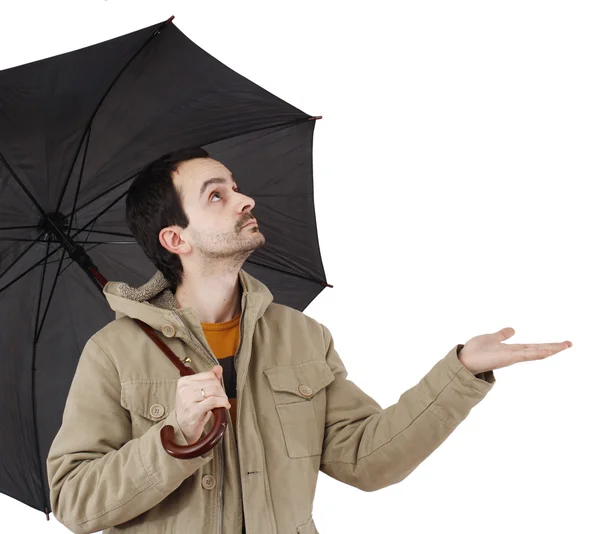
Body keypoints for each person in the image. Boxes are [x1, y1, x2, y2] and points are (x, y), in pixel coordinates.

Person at [46, 146, 572, 534]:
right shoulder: (113, 352)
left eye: (235, 186)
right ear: (175, 238)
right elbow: (74, 500)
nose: (245, 200)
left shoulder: (301, 337)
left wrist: (460, 371)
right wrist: (173, 437)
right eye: (217, 195)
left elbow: (366, 459)